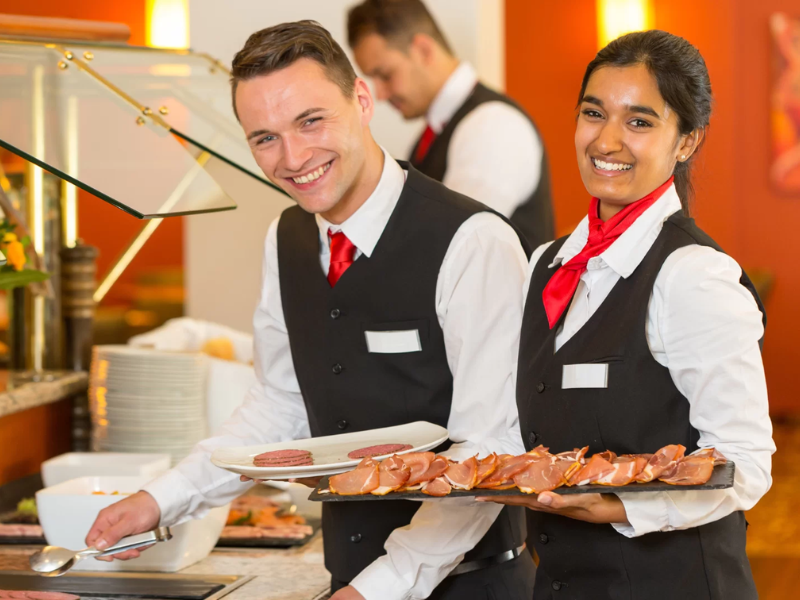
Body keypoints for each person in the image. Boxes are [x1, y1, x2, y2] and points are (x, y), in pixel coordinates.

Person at [83, 21, 535, 600]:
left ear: (363, 101)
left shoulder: (473, 241)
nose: (293, 157)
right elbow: (278, 404)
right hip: (348, 577)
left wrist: (380, 586)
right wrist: (160, 498)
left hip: (469, 586)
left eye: (311, 121)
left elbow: (489, 449)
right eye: (264, 137)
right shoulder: (285, 238)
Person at [479, 30, 775, 599]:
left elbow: (745, 461)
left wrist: (618, 505)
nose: (606, 140)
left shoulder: (692, 275)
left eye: (639, 122)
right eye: (594, 113)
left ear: (686, 141)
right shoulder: (547, 262)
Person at [347, 0, 555, 249]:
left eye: (385, 75)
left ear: (423, 50)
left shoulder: (491, 126)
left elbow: (452, 243)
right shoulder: (435, 133)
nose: (379, 94)